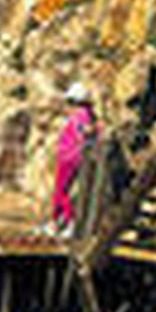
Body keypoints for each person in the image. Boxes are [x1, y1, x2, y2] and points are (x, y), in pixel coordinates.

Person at [51, 83, 99, 237]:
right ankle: (59, 222)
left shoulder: (80, 114)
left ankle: (67, 221)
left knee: (61, 191)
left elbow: (85, 131)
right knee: (62, 191)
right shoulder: (87, 114)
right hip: (72, 155)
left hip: (69, 156)